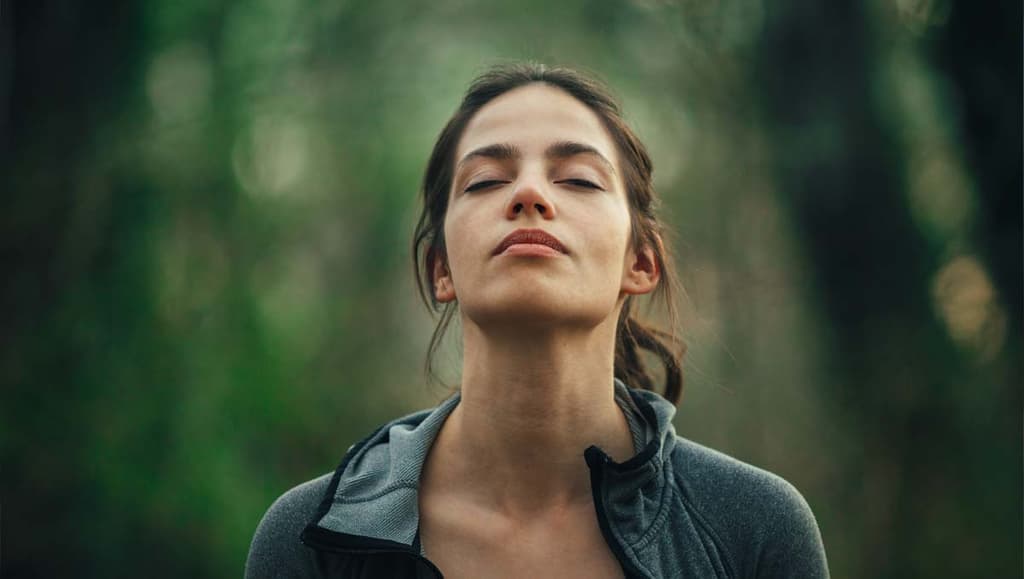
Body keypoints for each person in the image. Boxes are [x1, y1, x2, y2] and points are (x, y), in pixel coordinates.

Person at [245, 63, 830, 579]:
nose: (528, 193)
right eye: (486, 181)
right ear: (441, 268)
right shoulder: (310, 539)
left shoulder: (754, 529)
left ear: (641, 262)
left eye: (578, 179)